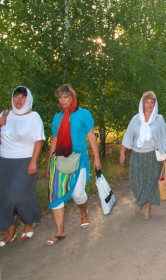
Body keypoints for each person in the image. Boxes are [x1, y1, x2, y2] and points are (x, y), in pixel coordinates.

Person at [45, 84, 101, 246]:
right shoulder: (57, 118)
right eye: (60, 98)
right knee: (55, 194)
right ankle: (59, 231)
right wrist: (49, 163)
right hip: (60, 159)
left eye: (66, 97)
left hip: (79, 159)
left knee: (77, 193)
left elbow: (91, 137)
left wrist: (97, 159)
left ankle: (83, 211)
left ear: (73, 97)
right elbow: (55, 140)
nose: (63, 101)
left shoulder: (84, 114)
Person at [0, 86, 45, 247]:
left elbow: (39, 140)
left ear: (28, 99)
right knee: (4, 198)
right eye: (16, 96)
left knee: (18, 196)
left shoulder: (34, 117)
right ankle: (10, 232)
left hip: (25, 160)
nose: (19, 100)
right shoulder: (5, 114)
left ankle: (29, 221)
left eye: (22, 97)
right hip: (5, 161)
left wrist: (33, 162)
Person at [120, 91, 166, 220]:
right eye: (146, 102)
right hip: (136, 154)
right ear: (142, 104)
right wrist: (122, 152)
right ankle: (141, 200)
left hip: (152, 155)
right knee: (134, 179)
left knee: (149, 182)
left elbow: (164, 137)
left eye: (151, 103)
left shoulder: (159, 119)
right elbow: (128, 135)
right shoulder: (136, 118)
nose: (149, 105)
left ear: (155, 104)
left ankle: (147, 206)